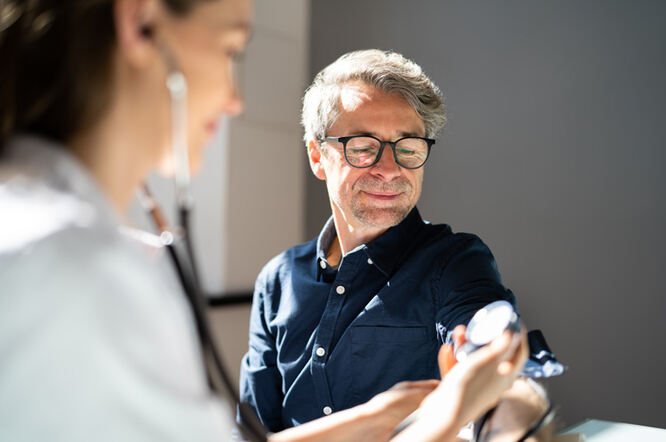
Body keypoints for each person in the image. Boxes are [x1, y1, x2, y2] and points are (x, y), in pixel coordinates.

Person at [0, 1, 528, 441]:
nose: (235, 100)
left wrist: (409, 414)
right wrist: (443, 413)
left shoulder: (452, 262)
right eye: (230, 48)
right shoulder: (74, 261)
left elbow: (519, 378)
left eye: (408, 147)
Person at [240, 49, 524, 431]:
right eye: (363, 147)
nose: (390, 169)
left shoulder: (455, 263)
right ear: (317, 156)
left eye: (407, 147)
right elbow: (250, 431)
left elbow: (502, 376)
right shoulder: (278, 281)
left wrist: (508, 401)